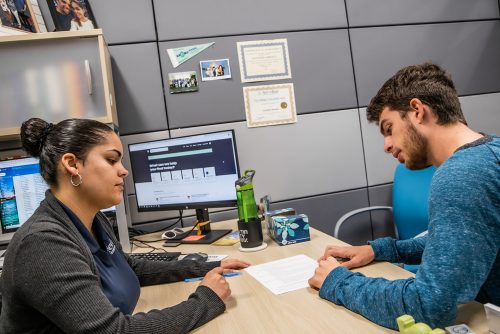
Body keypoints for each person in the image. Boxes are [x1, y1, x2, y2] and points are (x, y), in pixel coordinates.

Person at [0, 117, 250, 333]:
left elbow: (127, 267)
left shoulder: (91, 218)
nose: (124, 171)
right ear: (72, 164)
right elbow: (114, 331)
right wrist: (207, 299)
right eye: (111, 160)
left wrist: (206, 266)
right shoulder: (43, 243)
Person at [308, 63, 499, 329]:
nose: (386, 145)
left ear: (418, 111)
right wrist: (381, 250)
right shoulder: (491, 151)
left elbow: (429, 306)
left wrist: (338, 282)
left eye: (389, 128)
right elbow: (463, 240)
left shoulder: (463, 174)